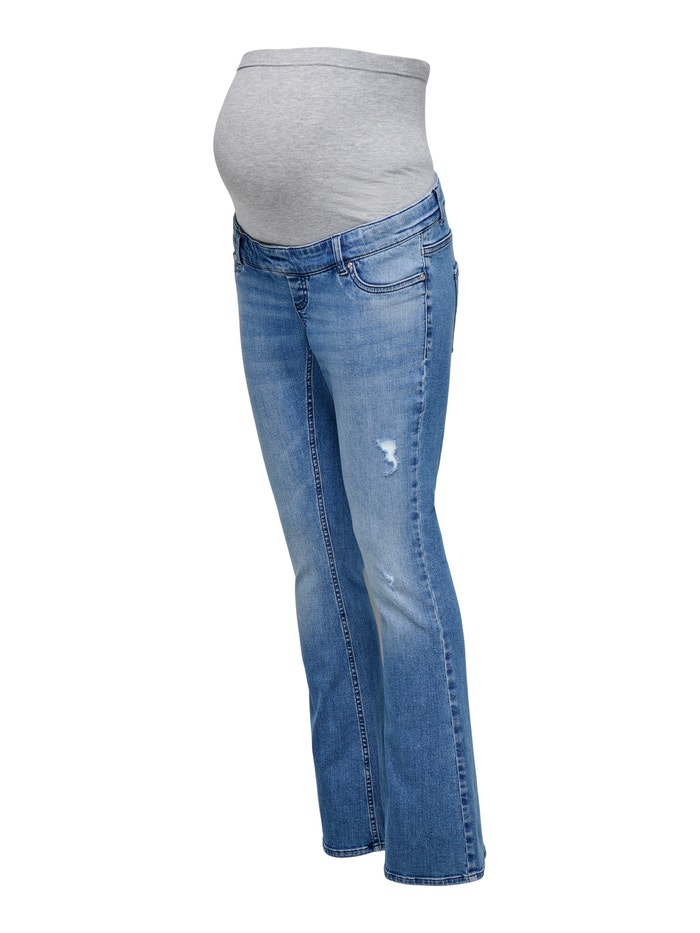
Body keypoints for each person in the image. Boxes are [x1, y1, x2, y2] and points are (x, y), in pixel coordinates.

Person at [213, 46, 486, 886]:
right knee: (320, 563)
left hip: (382, 260)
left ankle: (435, 856)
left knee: (396, 563)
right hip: (262, 265)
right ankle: (358, 826)